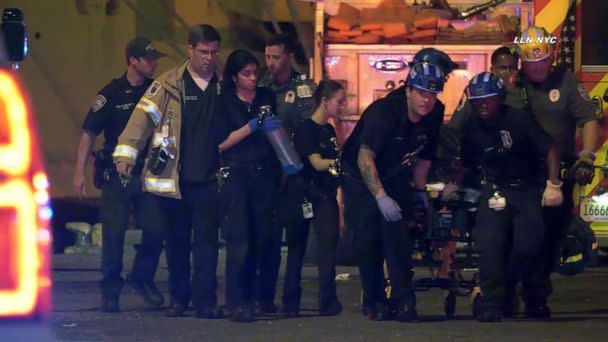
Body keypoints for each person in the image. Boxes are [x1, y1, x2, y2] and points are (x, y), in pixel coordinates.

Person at [113, 25, 224, 318]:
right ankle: (179, 299)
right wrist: (126, 154)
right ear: (190, 50)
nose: (209, 58)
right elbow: (141, 119)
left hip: (211, 179)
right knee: (177, 245)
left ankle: (205, 302)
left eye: (213, 52)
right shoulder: (169, 84)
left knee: (207, 248)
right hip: (175, 180)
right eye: (203, 52)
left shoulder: (224, 85)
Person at [443, 72, 563, 322]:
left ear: (499, 98)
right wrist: (453, 185)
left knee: (528, 247)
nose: (482, 105)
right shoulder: (471, 127)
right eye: (477, 101)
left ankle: (533, 299)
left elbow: (550, 148)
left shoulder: (519, 120)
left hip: (527, 189)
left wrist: (553, 184)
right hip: (494, 190)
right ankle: (492, 304)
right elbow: (466, 162)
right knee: (489, 249)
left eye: (487, 99)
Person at [341, 62, 445, 322]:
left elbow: (425, 155)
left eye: (432, 94)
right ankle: (374, 300)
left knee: (398, 238)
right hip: (360, 175)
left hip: (395, 171)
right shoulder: (384, 112)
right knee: (368, 239)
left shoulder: (434, 113)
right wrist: (380, 196)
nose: (427, 100)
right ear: (408, 90)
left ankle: (404, 300)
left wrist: (420, 190)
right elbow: (366, 157)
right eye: (422, 93)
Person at [72, 37, 165, 313]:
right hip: (117, 175)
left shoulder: (156, 91)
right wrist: (79, 173)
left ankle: (141, 277)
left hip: (148, 172)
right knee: (113, 237)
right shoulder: (111, 94)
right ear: (133, 61)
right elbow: (89, 133)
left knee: (157, 229)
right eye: (148, 58)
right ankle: (110, 292)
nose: (154, 63)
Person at [514, 26, 599, 318]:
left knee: (549, 237)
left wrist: (587, 157)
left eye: (543, 61)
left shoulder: (565, 81)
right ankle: (509, 291)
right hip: (520, 174)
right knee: (523, 236)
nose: (538, 67)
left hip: (558, 173)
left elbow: (588, 118)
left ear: (551, 57)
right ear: (521, 61)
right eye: (531, 62)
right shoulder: (512, 85)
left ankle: (537, 297)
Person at [215, 49, 283, 322]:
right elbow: (220, 143)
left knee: (262, 238)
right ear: (234, 77)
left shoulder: (266, 97)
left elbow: (274, 134)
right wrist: (252, 126)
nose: (253, 79)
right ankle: (237, 300)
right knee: (239, 239)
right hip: (237, 174)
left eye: (255, 73)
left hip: (264, 173)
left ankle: (260, 297)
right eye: (246, 74)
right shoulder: (224, 103)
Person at [281, 80, 346, 317]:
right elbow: (316, 162)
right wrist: (340, 163)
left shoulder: (329, 130)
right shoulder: (305, 129)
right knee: (296, 249)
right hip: (303, 195)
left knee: (328, 249)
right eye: (339, 101)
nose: (343, 105)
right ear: (324, 101)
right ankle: (290, 301)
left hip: (325, 195)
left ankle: (328, 301)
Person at [448, 46, 522, 131]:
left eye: (512, 68)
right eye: (503, 68)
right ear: (492, 70)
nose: (508, 73)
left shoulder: (524, 90)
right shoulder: (476, 88)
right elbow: (455, 125)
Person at [259, 33, 316, 136]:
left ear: (290, 58)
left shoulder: (303, 88)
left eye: (276, 58)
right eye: (267, 57)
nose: (270, 63)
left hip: (292, 148)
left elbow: (309, 127)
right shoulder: (260, 84)